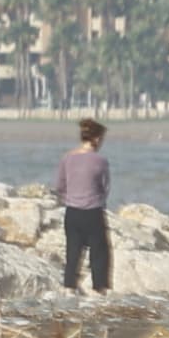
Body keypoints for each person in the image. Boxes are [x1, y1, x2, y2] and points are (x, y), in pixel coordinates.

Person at [55, 117, 114, 292]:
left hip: (72, 212)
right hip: (93, 212)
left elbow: (59, 186)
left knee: (72, 252)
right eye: (101, 139)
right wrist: (96, 199)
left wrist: (71, 197)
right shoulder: (100, 161)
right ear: (96, 139)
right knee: (100, 252)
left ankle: (69, 288)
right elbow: (105, 187)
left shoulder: (67, 159)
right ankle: (100, 288)